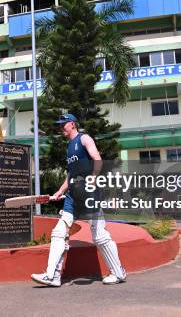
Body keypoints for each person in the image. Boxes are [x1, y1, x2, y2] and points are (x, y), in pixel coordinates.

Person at [31, 113, 126, 287]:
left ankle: (118, 272)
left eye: (63, 124)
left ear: (73, 124)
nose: (61, 128)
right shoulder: (69, 147)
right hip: (72, 196)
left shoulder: (84, 139)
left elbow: (97, 159)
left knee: (100, 237)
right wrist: (60, 191)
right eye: (59, 125)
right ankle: (53, 276)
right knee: (59, 232)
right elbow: (71, 174)